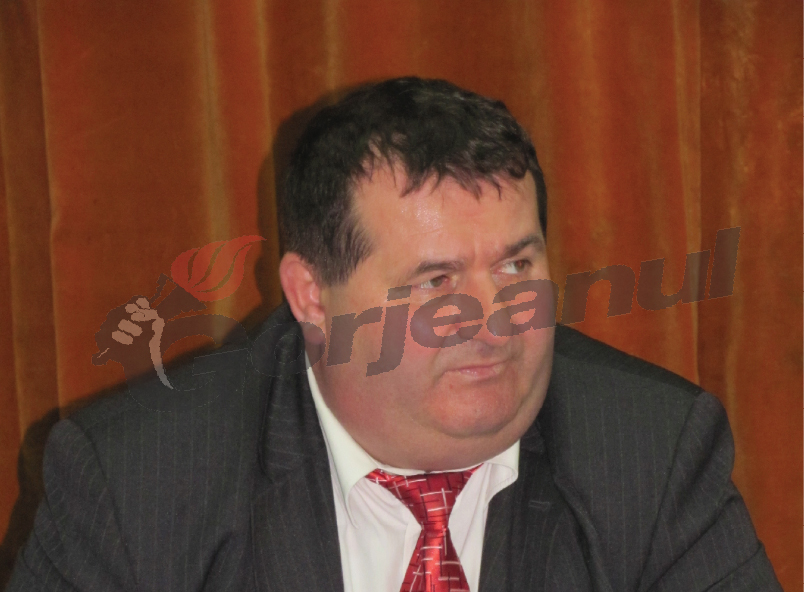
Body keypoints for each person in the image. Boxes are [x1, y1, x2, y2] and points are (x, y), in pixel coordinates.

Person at [7, 77, 780, 591]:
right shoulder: (138, 484)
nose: (492, 320)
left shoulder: (650, 452)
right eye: (434, 281)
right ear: (312, 297)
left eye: (516, 266)